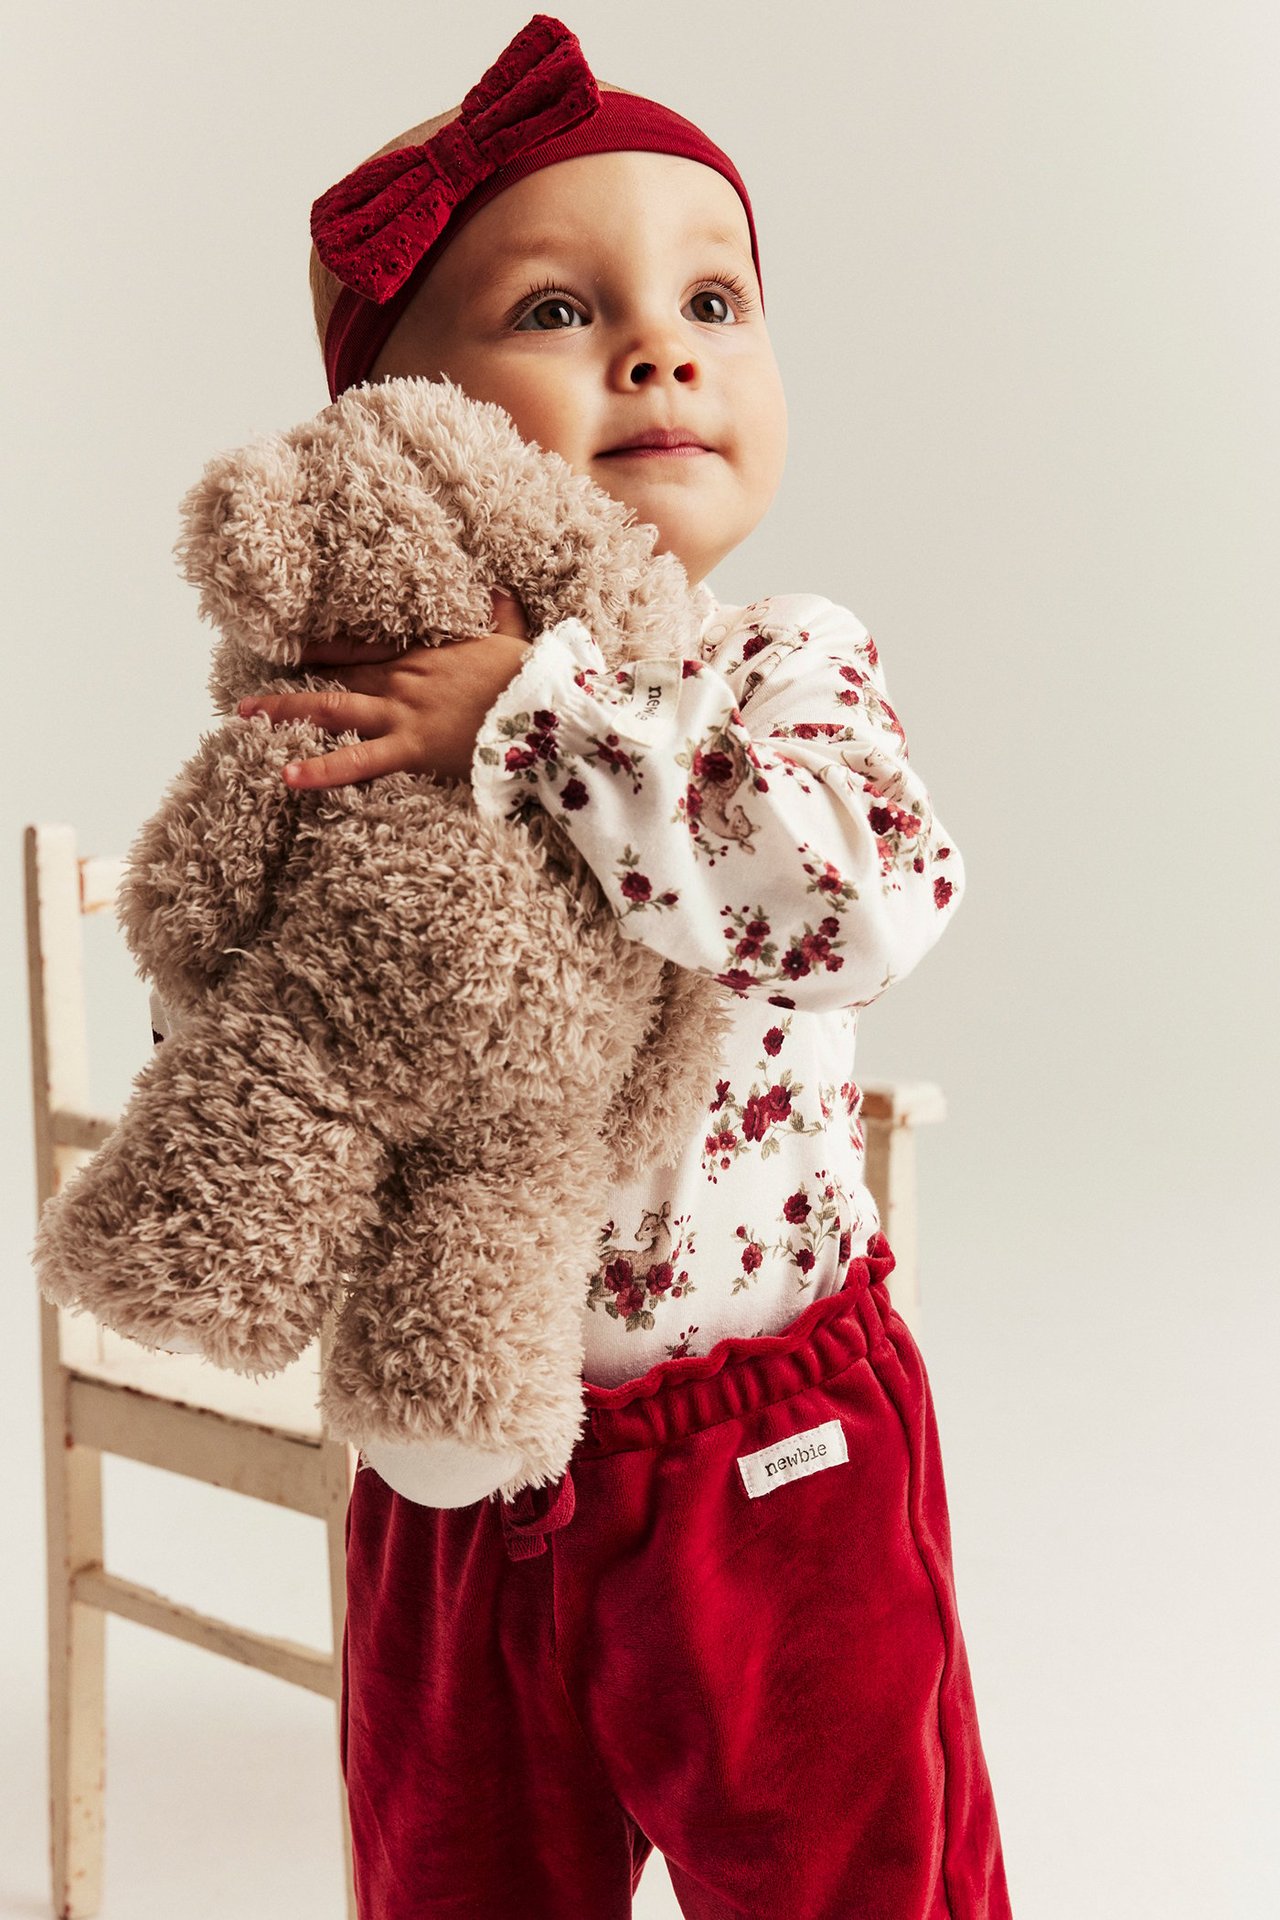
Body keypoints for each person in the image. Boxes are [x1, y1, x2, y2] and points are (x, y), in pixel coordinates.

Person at [153, 15, 1013, 1916]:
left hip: (765, 1445)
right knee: (454, 1876)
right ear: (397, 423)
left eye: (716, 296)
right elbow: (235, 998)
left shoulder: (779, 668)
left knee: (850, 1879)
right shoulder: (342, 711)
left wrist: (537, 723)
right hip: (461, 1457)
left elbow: (856, 900)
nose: (659, 346)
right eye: (556, 310)